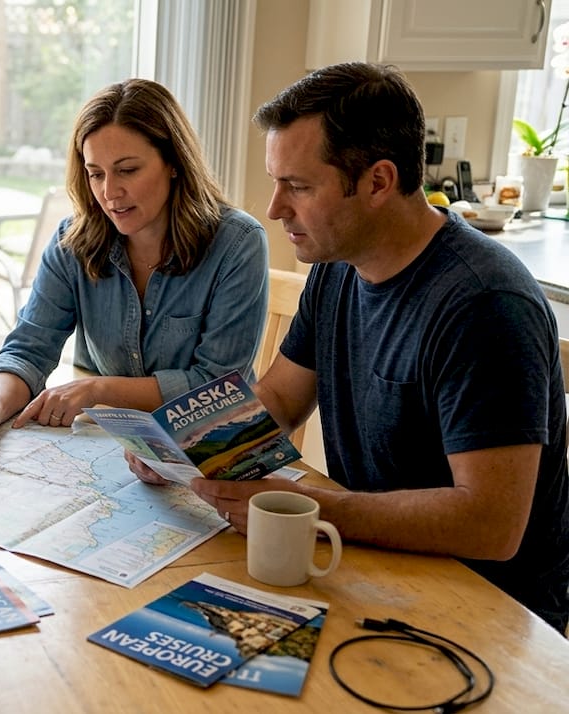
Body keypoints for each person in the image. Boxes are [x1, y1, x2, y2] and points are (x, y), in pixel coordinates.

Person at [146, 62, 569, 632]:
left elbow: (491, 524)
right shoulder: (340, 266)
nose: (274, 208)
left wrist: (315, 508)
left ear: (377, 182)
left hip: (487, 613)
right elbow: (278, 400)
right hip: (375, 565)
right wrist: (177, 445)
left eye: (298, 186)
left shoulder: (485, 305)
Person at [0, 78, 269, 450]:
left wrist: (99, 388)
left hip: (212, 446)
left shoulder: (238, 243)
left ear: (174, 164)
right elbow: (27, 349)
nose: (109, 192)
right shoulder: (73, 240)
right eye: (96, 173)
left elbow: (217, 388)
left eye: (128, 170)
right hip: (114, 446)